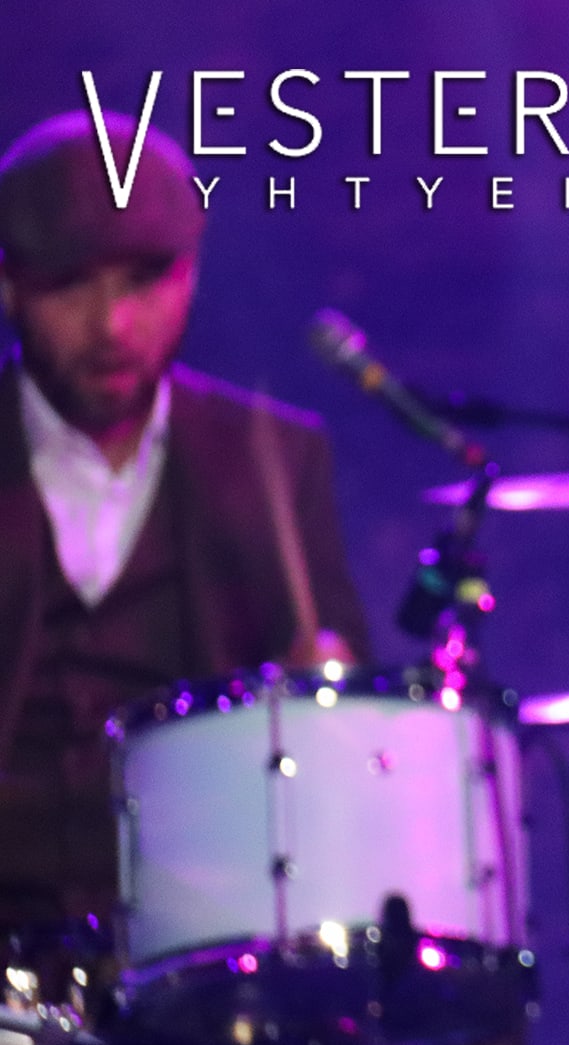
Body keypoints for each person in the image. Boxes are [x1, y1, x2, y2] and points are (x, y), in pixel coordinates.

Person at [0, 110, 369, 982]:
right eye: (72, 287)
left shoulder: (272, 459)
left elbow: (344, 742)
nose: (113, 324)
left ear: (191, 274)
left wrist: (327, 703)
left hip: (194, 958)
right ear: (8, 287)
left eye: (145, 281)